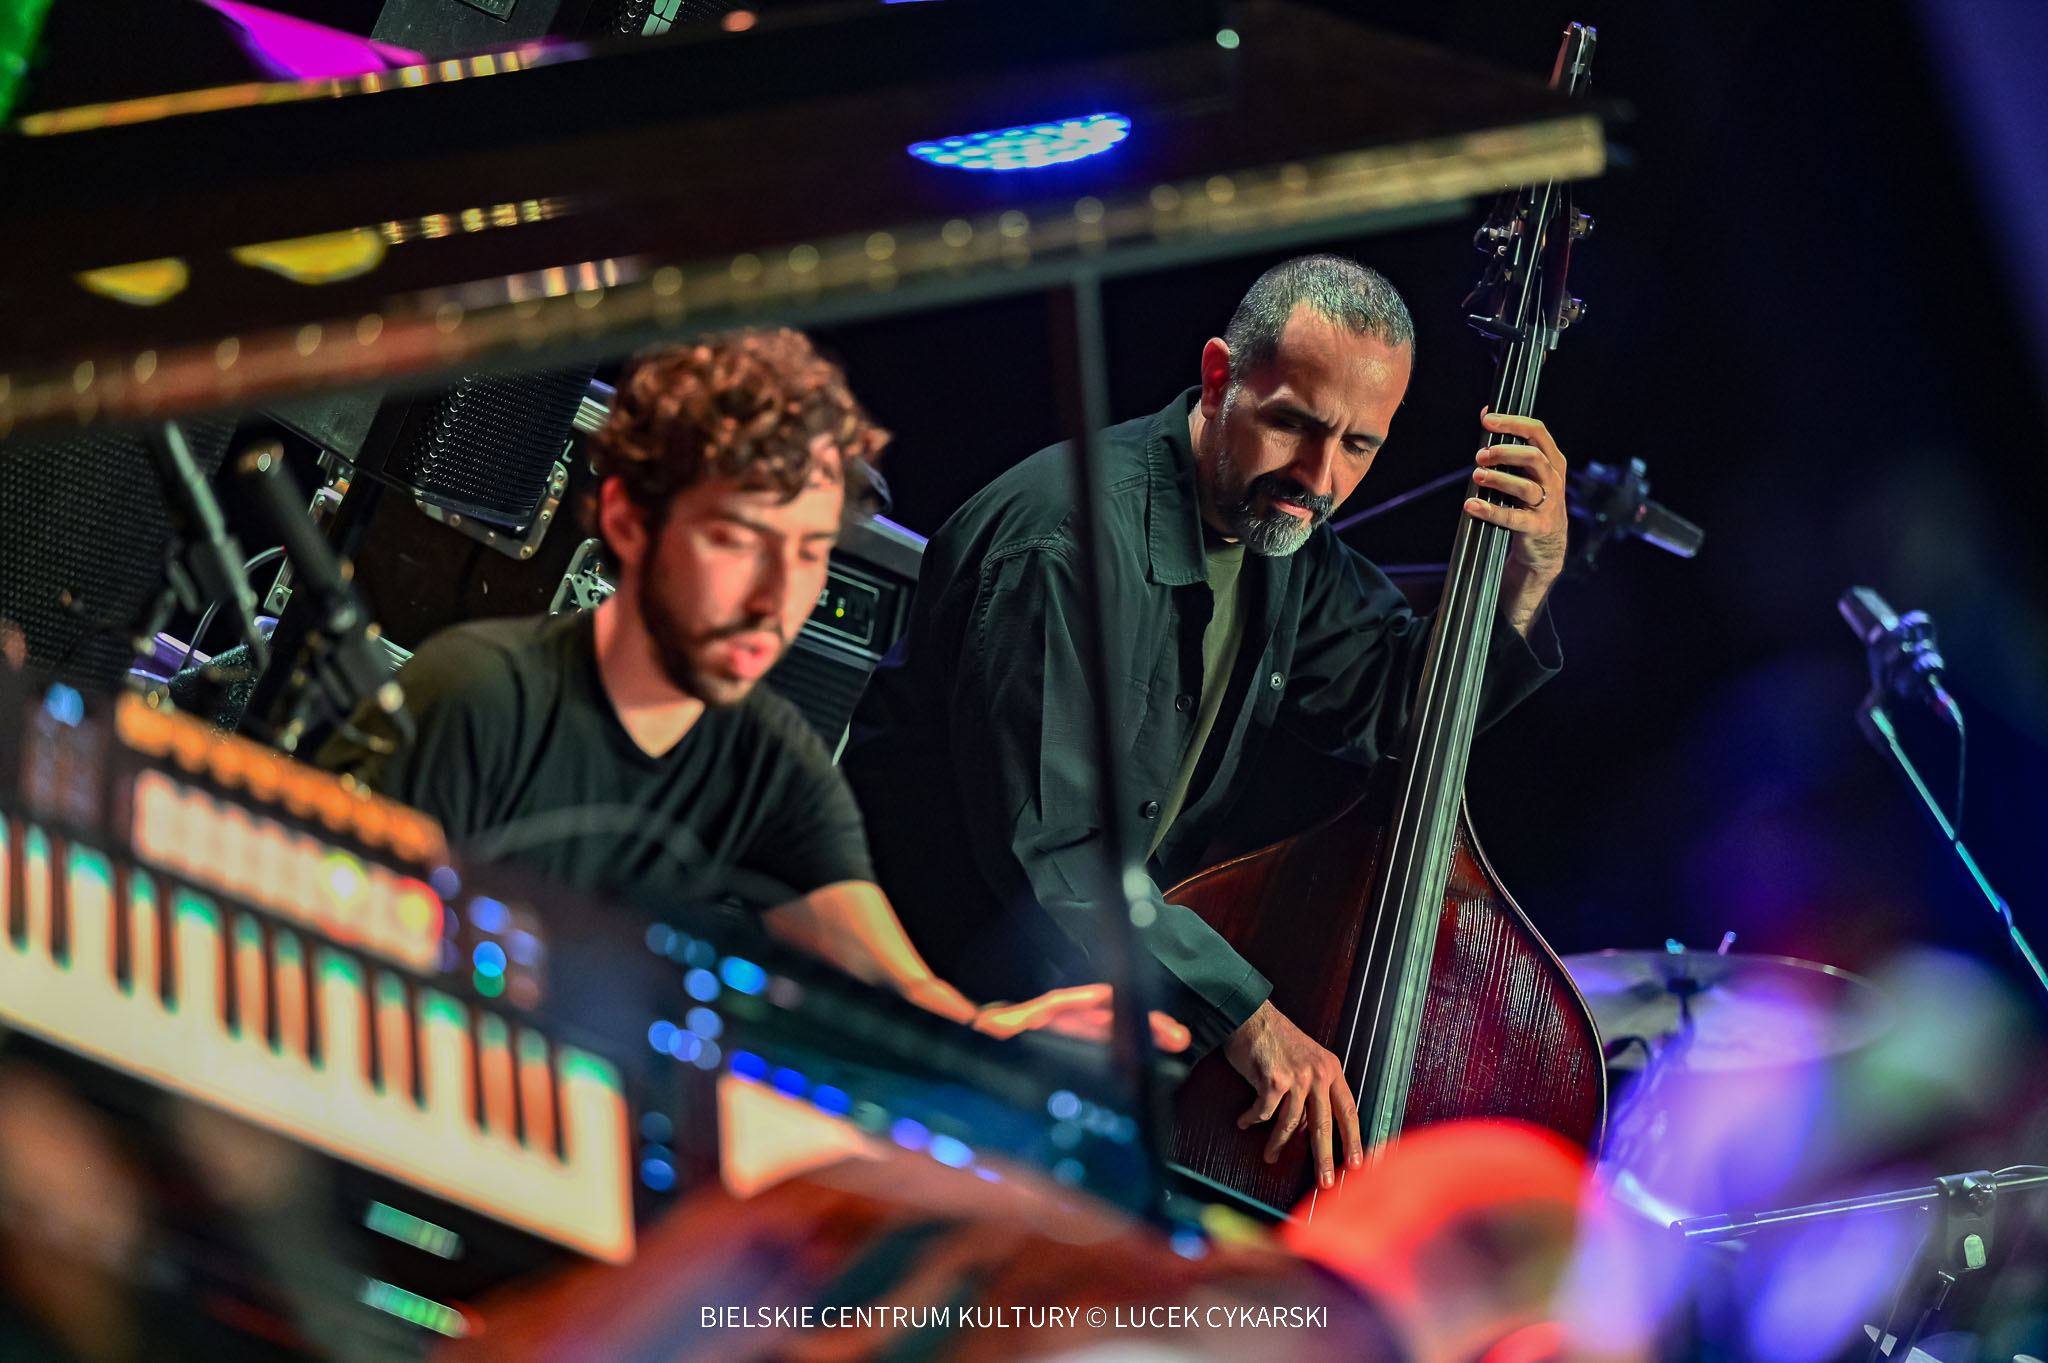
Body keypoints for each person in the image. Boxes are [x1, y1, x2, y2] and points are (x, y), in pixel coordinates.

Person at [843, 254, 1571, 1191]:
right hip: (918, 1018)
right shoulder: (1065, 544)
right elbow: (1057, 856)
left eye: (1359, 446)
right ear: (1220, 377)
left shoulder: (1284, 537)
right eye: (1294, 424)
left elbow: (1401, 713)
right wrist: (1247, 1016)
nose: (1319, 476)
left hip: (1063, 1017)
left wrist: (1525, 580)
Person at [322, 329, 1185, 1047]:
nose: (777, 599)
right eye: (740, 541)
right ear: (627, 518)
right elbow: (328, 941)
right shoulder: (476, 693)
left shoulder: (770, 759)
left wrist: (986, 1027)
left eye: (809, 553)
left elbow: (896, 979)